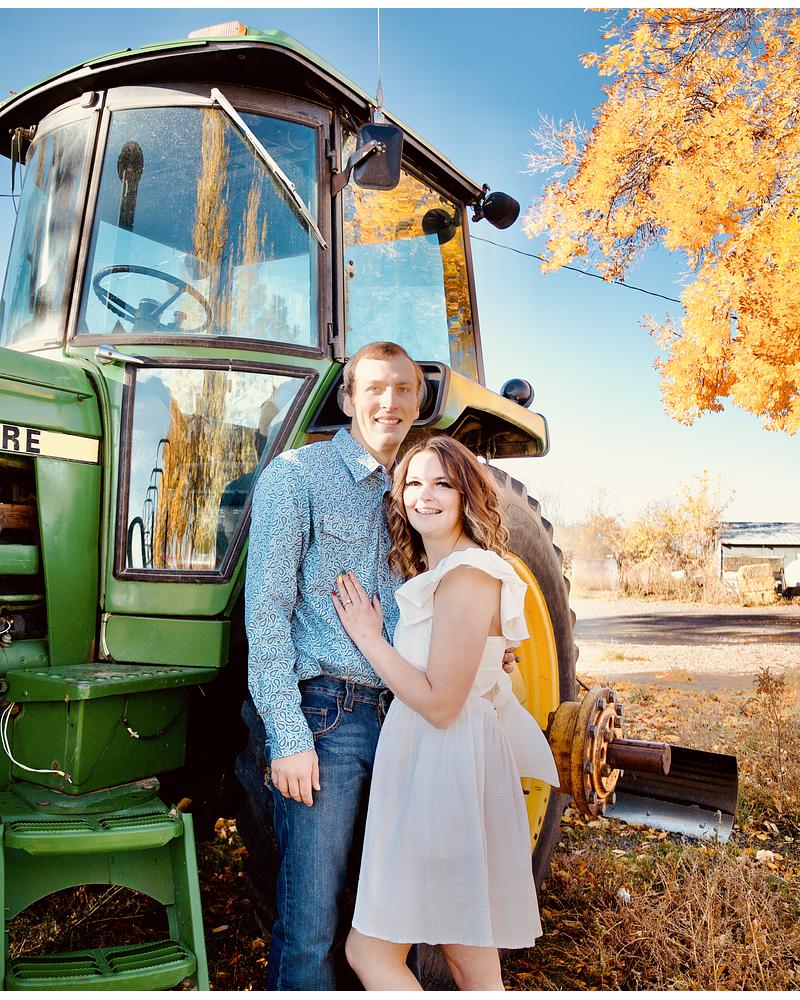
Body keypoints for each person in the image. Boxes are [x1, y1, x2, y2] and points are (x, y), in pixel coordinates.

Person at [332, 435, 560, 991]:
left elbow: (439, 704)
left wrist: (369, 638)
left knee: (372, 952)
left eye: (441, 484)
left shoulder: (467, 573)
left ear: (466, 495)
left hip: (440, 766)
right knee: (467, 960)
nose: (424, 496)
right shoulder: (447, 573)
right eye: (413, 483)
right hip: (435, 762)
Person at [244, 341, 424, 990]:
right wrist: (288, 735)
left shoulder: (420, 492)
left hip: (404, 718)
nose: (388, 402)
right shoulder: (298, 476)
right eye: (373, 388)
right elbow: (267, 611)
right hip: (328, 717)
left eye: (403, 389)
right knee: (310, 925)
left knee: (386, 921)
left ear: (418, 403)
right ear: (347, 399)